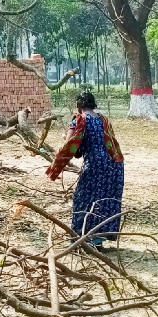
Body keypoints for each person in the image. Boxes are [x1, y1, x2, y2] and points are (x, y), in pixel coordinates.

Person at [46, 90, 125, 250]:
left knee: (83, 199)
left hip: (95, 164)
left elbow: (70, 145)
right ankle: (97, 239)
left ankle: (80, 238)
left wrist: (55, 165)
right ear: (93, 105)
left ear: (79, 106)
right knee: (104, 200)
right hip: (115, 164)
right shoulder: (103, 120)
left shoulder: (79, 120)